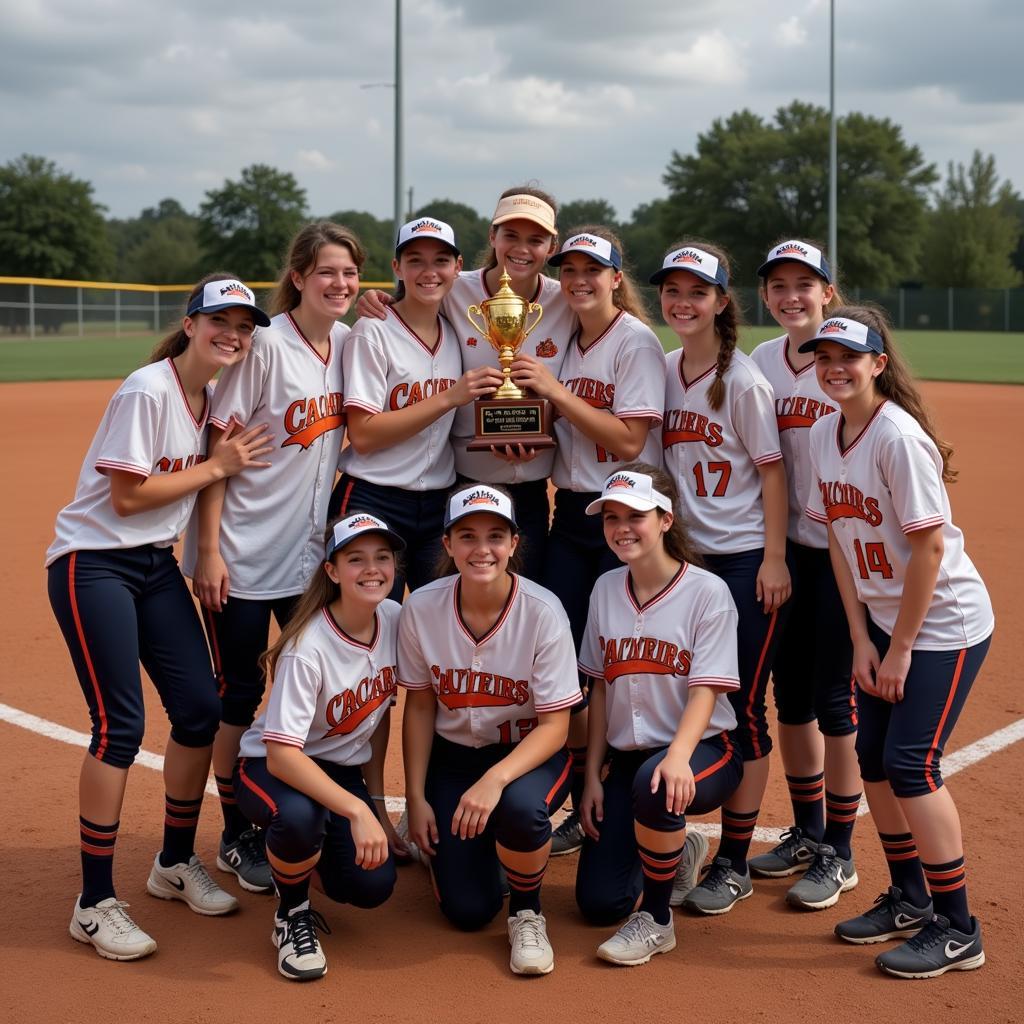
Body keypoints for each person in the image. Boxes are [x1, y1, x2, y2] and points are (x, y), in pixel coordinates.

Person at [47, 275, 274, 961]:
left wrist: (207, 532)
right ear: (190, 322)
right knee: (119, 727)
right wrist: (218, 466)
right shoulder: (148, 389)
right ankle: (93, 902)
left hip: (153, 566)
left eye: (243, 325)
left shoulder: (209, 397)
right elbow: (125, 497)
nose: (232, 335)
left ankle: (174, 862)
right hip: (94, 564)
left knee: (201, 709)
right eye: (219, 322)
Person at [802, 306, 993, 979]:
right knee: (875, 759)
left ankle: (958, 925)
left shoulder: (897, 438)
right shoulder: (826, 435)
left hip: (944, 625)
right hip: (883, 622)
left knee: (911, 764)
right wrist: (862, 637)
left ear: (878, 364)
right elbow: (839, 542)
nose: (834, 369)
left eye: (848, 358)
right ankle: (910, 896)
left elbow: (929, 549)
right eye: (824, 358)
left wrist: (902, 646)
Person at [188, 223, 366, 895]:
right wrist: (207, 550)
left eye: (350, 274)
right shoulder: (265, 346)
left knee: (313, 692)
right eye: (326, 272)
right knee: (240, 696)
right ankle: (237, 831)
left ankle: (307, 815)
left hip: (309, 557)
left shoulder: (349, 343)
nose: (339, 285)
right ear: (298, 277)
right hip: (238, 553)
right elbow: (219, 452)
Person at [510, 227, 667, 855]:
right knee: (571, 665)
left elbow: (627, 441)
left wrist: (552, 390)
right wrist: (528, 430)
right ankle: (583, 803)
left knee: (624, 663)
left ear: (615, 278)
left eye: (592, 270)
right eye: (569, 268)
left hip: (626, 519)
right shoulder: (563, 336)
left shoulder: (635, 342)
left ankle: (649, 811)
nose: (579, 279)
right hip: (572, 516)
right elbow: (568, 427)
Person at [655, 241, 792, 914]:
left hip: (740, 562)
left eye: (696, 291)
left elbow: (772, 472)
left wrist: (772, 557)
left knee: (741, 709)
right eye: (672, 290)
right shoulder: (666, 367)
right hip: (685, 563)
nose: (682, 302)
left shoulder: (741, 380)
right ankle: (678, 839)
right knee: (677, 696)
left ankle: (733, 859)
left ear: (720, 302)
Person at [399, 483, 581, 975]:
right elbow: (418, 707)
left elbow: (555, 726)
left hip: (527, 755)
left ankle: (527, 911)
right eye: (468, 535)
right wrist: (415, 797)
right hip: (453, 757)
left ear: (515, 544)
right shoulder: (421, 608)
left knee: (521, 811)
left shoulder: (543, 612)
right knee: (469, 911)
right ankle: (470, 844)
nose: (483, 549)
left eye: (496, 535)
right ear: (448, 544)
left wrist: (494, 780)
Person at [354, 184, 575, 582]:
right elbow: (416, 296)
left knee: (526, 600)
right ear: (492, 237)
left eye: (536, 239)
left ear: (552, 245)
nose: (522, 248)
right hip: (462, 479)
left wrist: (543, 420)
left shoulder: (568, 300)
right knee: (457, 600)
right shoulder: (458, 290)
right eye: (510, 235)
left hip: (532, 483)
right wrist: (374, 299)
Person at [575, 465, 744, 965]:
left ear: (666, 519)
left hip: (705, 749)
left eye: (635, 515)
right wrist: (591, 778)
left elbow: (707, 691)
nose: (621, 527)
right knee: (597, 903)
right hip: (630, 758)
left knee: (657, 783)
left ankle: (657, 920)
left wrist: (677, 756)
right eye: (611, 517)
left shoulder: (707, 592)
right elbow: (600, 688)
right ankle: (680, 850)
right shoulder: (606, 587)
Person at [234, 513, 404, 981]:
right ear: (331, 570)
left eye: (382, 557)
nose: (372, 569)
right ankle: (291, 913)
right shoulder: (308, 646)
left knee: (371, 886)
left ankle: (293, 856)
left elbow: (380, 715)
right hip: (271, 767)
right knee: (299, 817)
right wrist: (355, 811)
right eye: (356, 559)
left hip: (336, 770)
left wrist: (376, 806)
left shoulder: (392, 617)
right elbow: (282, 755)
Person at [747, 240, 862, 910]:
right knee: (790, 698)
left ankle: (840, 851)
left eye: (805, 284)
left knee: (835, 700)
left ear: (828, 292)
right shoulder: (763, 360)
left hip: (841, 553)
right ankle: (808, 828)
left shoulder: (847, 359)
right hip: (786, 548)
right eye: (779, 285)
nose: (791, 296)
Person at [328, 217, 502, 600]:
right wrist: (448, 397)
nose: (428, 272)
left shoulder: (456, 330)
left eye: (441, 260)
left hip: (439, 499)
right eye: (415, 260)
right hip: (375, 496)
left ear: (458, 267)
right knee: (370, 618)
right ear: (397, 268)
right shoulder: (372, 331)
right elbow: (364, 434)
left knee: (438, 620)